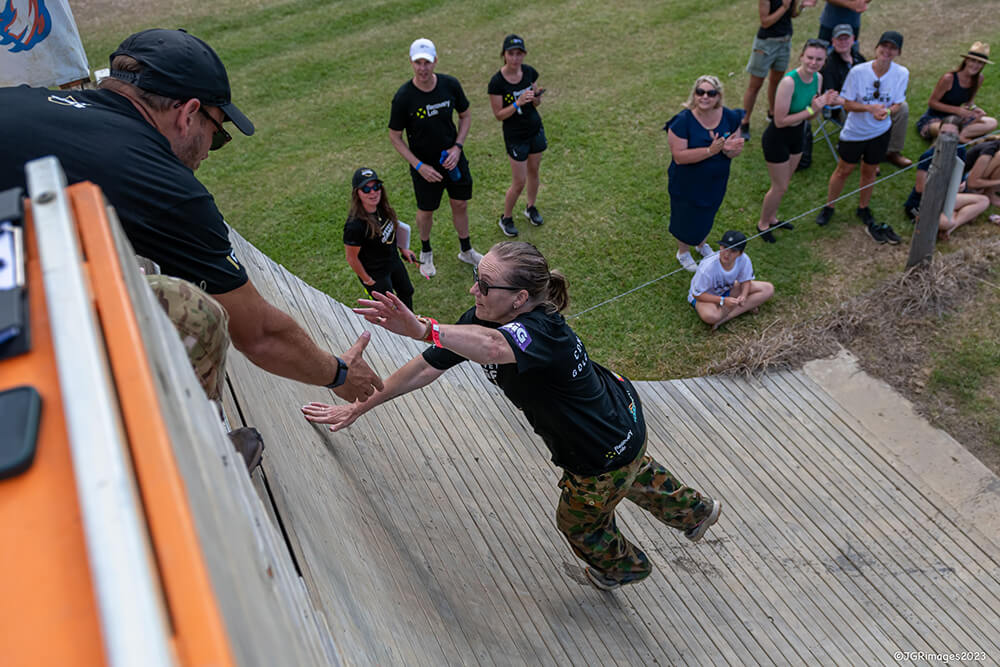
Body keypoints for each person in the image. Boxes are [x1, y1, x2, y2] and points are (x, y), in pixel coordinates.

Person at [302, 241, 722, 591]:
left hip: (600, 453)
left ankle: (623, 567)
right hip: (621, 419)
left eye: (485, 285)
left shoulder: (542, 332)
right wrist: (363, 404)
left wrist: (422, 327)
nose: (473, 293)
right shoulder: (483, 321)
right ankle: (697, 512)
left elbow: (494, 349)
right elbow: (427, 366)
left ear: (520, 299)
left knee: (578, 521)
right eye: (476, 281)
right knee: (636, 472)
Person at [0, 28, 382, 403]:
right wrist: (338, 372)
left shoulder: (23, 99)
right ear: (188, 114)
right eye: (217, 134)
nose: (207, 153)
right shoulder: (165, 186)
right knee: (194, 314)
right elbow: (260, 333)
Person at [389, 38, 483, 279]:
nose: (423, 68)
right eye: (418, 63)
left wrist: (458, 147)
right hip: (425, 168)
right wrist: (419, 166)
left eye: (427, 63)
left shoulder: (449, 85)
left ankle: (466, 250)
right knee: (426, 211)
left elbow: (465, 115)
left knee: (460, 204)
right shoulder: (404, 97)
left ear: (435, 62)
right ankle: (426, 251)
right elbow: (395, 136)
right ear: (411, 63)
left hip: (453, 160)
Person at [815, 31, 908, 245]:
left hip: (880, 133)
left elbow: (898, 103)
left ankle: (863, 208)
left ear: (898, 52)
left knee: (869, 171)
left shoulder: (902, 73)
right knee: (843, 170)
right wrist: (869, 109)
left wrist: (887, 112)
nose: (887, 51)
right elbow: (846, 103)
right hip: (855, 133)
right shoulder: (859, 71)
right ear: (876, 48)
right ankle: (829, 206)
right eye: (883, 46)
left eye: (892, 48)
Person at [757, 39, 840, 242]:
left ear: (824, 61)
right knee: (779, 186)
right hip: (777, 138)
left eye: (819, 59)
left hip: (798, 136)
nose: (813, 62)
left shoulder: (818, 79)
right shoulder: (788, 82)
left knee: (785, 183)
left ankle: (773, 218)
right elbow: (780, 120)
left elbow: (810, 117)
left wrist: (818, 107)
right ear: (801, 57)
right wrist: (812, 108)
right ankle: (762, 224)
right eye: (810, 57)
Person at [665, 75, 746, 272]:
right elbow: (679, 156)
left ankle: (701, 244)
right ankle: (683, 252)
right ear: (694, 94)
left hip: (715, 181)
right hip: (687, 183)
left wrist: (730, 149)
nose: (705, 97)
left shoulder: (729, 117)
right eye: (700, 92)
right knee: (685, 217)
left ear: (718, 96)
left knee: (708, 212)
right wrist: (710, 151)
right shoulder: (682, 122)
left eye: (711, 93)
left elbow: (734, 149)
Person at [808, 23, 911, 169]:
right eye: (839, 39)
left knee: (903, 107)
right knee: (860, 113)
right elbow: (831, 98)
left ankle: (892, 151)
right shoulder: (829, 64)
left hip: (871, 101)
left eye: (846, 38)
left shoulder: (858, 57)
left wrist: (882, 109)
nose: (843, 42)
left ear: (853, 40)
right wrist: (865, 106)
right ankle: (868, 156)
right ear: (833, 41)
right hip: (843, 108)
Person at [488, 34, 547, 237]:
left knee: (534, 172)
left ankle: (530, 207)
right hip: (516, 137)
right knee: (519, 181)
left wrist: (536, 97)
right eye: (511, 54)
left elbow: (536, 102)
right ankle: (506, 218)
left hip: (535, 130)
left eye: (519, 54)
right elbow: (498, 115)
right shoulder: (497, 82)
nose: (515, 58)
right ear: (504, 55)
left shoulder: (529, 72)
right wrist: (517, 103)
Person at [739, 0, 817, 141]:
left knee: (776, 82)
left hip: (785, 42)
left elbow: (792, 14)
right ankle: (744, 122)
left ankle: (773, 113)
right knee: (755, 85)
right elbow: (765, 22)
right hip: (766, 45)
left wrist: (801, 7)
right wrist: (784, 6)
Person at [343, 167, 419, 310]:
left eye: (376, 186)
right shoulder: (355, 226)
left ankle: (410, 324)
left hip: (394, 261)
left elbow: (392, 230)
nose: (373, 192)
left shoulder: (382, 207)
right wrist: (367, 280)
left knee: (407, 291)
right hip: (376, 273)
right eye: (366, 189)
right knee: (388, 308)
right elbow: (351, 258)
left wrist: (403, 249)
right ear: (357, 193)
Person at [903, 119, 990, 240]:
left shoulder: (960, 150)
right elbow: (920, 188)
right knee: (946, 222)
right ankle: (947, 222)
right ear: (938, 133)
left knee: (984, 201)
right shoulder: (928, 156)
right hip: (924, 202)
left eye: (952, 134)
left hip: (946, 197)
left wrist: (960, 184)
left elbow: (959, 175)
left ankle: (951, 227)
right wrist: (951, 189)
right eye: (943, 133)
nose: (946, 138)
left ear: (959, 135)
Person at [688, 231, 774, 330]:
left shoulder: (744, 259)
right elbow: (697, 294)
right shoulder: (707, 267)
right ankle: (745, 306)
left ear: (740, 253)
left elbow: (746, 280)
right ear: (720, 246)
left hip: (726, 290)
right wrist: (722, 300)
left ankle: (725, 318)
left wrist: (744, 295)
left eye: (733, 251)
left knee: (768, 289)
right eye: (725, 248)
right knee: (711, 316)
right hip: (705, 296)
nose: (727, 254)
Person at [916, 42, 997, 143]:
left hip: (957, 119)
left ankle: (954, 136)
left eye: (980, 63)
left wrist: (975, 109)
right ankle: (968, 139)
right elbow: (932, 103)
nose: (975, 65)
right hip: (935, 119)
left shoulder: (979, 79)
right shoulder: (949, 78)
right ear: (966, 60)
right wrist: (957, 110)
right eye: (973, 60)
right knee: (945, 129)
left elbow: (969, 102)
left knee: (992, 122)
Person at [963, 136, 1000, 207]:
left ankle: (988, 192)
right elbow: (972, 182)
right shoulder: (990, 149)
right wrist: (998, 182)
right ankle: (989, 193)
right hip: (963, 184)